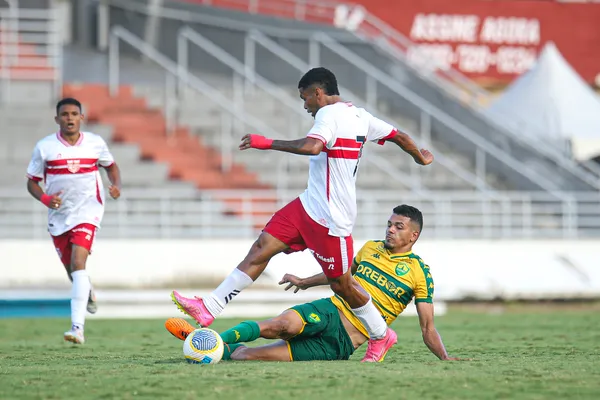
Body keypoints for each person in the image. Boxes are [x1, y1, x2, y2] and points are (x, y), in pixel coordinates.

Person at [171, 67, 434, 362]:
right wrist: (419, 157)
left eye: (304, 97)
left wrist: (266, 142)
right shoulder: (362, 117)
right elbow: (399, 135)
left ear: (317, 93)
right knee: (262, 247)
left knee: (342, 284)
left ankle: (380, 334)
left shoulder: (329, 114)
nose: (305, 104)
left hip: (332, 217)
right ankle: (209, 306)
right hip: (308, 205)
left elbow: (312, 147)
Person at [167, 205, 461, 362]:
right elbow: (340, 276)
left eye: (399, 227)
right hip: (331, 310)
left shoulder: (420, 273)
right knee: (281, 325)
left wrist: (445, 358)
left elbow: (427, 327)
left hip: (343, 343)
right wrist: (305, 282)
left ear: (413, 236)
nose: (390, 230)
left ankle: (220, 348)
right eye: (389, 224)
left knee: (249, 356)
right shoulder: (370, 248)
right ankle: (209, 340)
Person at [26, 97, 122, 344]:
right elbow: (32, 182)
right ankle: (86, 291)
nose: (69, 118)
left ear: (82, 117)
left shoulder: (95, 143)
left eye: (74, 114)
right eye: (65, 114)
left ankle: (77, 328)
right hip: (59, 216)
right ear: (57, 119)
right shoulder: (44, 147)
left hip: (88, 211)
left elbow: (111, 167)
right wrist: (46, 199)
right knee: (73, 271)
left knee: (79, 263)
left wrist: (115, 186)